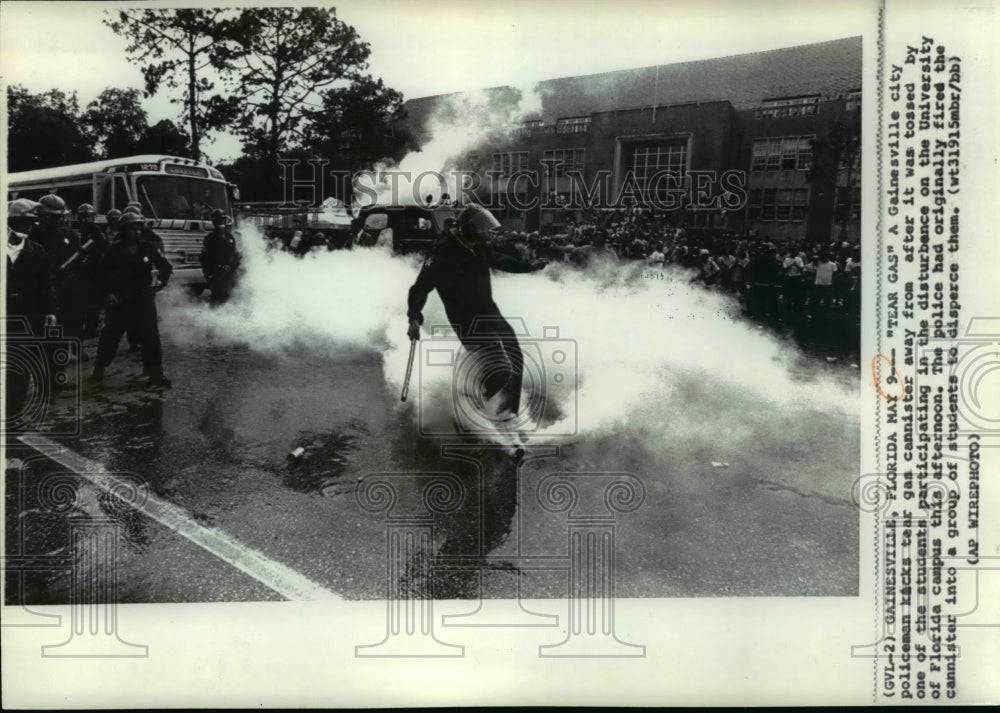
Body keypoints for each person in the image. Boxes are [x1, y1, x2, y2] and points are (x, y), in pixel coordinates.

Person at [407, 204, 546, 421]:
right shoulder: (442, 252)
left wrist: (529, 266)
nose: (486, 232)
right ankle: (472, 414)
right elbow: (420, 287)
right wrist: (414, 317)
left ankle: (507, 414)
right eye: (481, 227)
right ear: (469, 228)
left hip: (490, 313)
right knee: (499, 371)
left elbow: (500, 261)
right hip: (467, 321)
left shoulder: (478, 246)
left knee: (515, 358)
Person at [92, 212, 174, 388]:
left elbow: (165, 266)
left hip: (143, 298)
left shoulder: (148, 248)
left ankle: (155, 374)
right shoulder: (113, 250)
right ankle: (99, 368)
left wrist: (161, 282)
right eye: (132, 228)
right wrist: (108, 294)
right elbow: (100, 275)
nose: (136, 232)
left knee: (150, 337)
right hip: (120, 300)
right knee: (110, 336)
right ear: (123, 230)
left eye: (138, 228)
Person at [6, 199, 59, 412]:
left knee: (21, 365)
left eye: (30, 222)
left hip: (27, 316)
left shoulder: (36, 251)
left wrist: (50, 311)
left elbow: (46, 285)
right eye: (21, 222)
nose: (27, 226)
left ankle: (14, 411)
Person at [29, 194, 85, 343]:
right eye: (52, 217)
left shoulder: (71, 235)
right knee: (49, 318)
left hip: (68, 282)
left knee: (73, 314)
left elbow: (78, 259)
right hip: (45, 284)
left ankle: (76, 344)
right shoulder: (33, 236)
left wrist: (71, 272)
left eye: (60, 217)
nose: (58, 220)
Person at [74, 203, 110, 340]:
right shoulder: (86, 228)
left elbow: (102, 244)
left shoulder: (91, 227)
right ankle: (91, 326)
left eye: (87, 216)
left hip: (94, 268)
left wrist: (90, 255)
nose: (84, 218)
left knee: (92, 300)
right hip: (90, 267)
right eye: (82, 216)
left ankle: (93, 328)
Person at [199, 208, 241, 304]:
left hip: (229, 273)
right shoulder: (210, 238)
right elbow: (204, 258)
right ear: (214, 222)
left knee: (229, 298)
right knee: (217, 298)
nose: (221, 223)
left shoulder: (230, 237)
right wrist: (208, 274)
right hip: (216, 272)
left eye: (222, 220)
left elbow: (234, 254)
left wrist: (233, 267)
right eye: (218, 220)